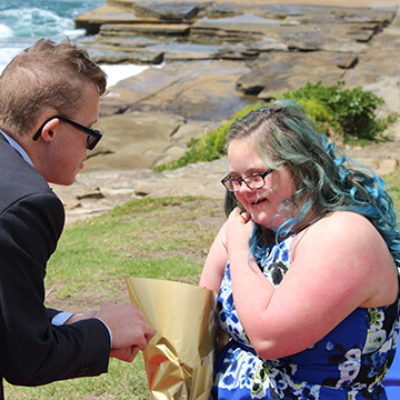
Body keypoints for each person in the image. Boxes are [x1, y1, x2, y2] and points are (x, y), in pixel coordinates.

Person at [200, 99, 400, 399]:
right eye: (236, 179)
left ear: (300, 166)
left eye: (256, 175)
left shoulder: (344, 235)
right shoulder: (248, 227)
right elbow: (200, 324)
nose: (242, 189)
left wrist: (240, 249)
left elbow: (270, 339)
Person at [0, 39, 155, 399]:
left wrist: (67, 322)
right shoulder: (27, 204)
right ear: (50, 130)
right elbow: (25, 358)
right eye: (90, 132)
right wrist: (104, 331)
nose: (91, 145)